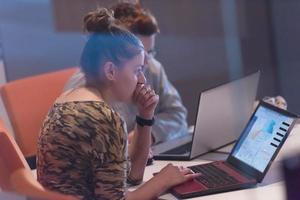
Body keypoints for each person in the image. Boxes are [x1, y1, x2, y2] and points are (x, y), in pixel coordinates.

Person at [37, 8, 199, 200]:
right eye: (137, 70)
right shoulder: (102, 117)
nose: (142, 81)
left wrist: (145, 117)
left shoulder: (67, 100)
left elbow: (132, 176)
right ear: (111, 71)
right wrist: (162, 180)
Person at [64, 2, 188, 145]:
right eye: (139, 53)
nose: (147, 62)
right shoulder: (85, 86)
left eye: (150, 52)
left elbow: (177, 116)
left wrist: (148, 135)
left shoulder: (153, 68)